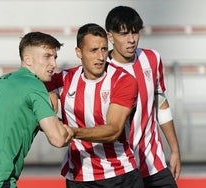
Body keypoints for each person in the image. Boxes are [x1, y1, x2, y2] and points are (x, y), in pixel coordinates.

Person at [0, 32, 73, 188]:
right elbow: (58, 138)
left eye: (55, 58)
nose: (53, 64)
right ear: (27, 59)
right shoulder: (34, 86)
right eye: (47, 56)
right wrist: (75, 131)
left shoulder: (3, 81)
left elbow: (18, 118)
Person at [45, 23, 144, 188]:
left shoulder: (123, 80)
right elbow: (30, 86)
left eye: (104, 49)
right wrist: (48, 95)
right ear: (79, 53)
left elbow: (113, 130)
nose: (100, 57)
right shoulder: (64, 78)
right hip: (79, 177)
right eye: (93, 50)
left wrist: (72, 132)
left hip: (120, 176)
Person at [105, 6, 181, 188]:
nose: (131, 40)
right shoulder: (101, 70)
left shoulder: (152, 58)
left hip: (154, 164)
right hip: (119, 168)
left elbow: (160, 103)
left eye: (135, 33)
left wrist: (175, 149)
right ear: (110, 37)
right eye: (124, 34)